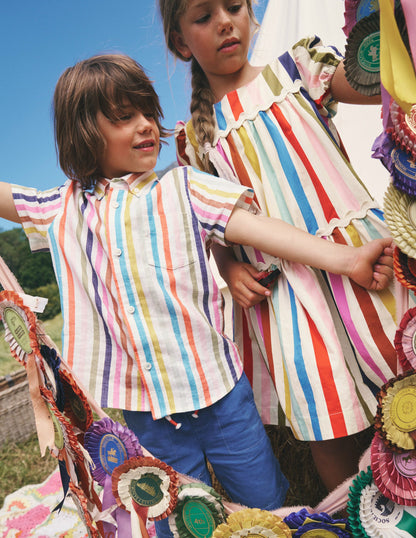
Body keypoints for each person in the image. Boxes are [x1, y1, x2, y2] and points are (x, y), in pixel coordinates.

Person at [0, 53, 393, 534]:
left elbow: (262, 231)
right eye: (125, 117)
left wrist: (346, 259)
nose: (146, 125)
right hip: (144, 411)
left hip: (221, 395)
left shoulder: (184, 187)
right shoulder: (61, 209)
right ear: (82, 131)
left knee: (262, 504)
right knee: (168, 515)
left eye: (148, 112)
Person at [158, 0, 403, 494]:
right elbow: (215, 222)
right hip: (287, 293)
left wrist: (396, 31)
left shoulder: (298, 67)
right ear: (182, 42)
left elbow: (373, 80)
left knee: (405, 367)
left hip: (363, 251)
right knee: (328, 424)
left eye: (234, 6)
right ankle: (355, 519)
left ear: (253, 14)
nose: (225, 21)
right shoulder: (193, 143)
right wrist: (228, 268)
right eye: (204, 16)